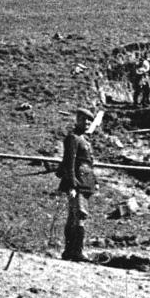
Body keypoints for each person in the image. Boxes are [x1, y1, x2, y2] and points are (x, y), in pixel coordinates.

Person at [57, 106, 97, 262]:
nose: (87, 123)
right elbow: (70, 162)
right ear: (78, 120)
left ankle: (71, 251)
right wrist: (72, 183)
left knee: (75, 216)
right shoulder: (73, 138)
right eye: (84, 119)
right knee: (79, 215)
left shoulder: (85, 140)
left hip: (87, 182)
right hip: (77, 182)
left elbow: (89, 163)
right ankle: (75, 251)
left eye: (89, 121)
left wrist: (96, 181)